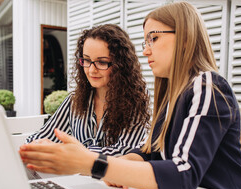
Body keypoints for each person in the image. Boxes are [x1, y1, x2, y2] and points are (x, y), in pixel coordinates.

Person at [19, 2, 241, 189]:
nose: (145, 51)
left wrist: (93, 163)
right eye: (145, 41)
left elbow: (184, 172)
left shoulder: (208, 85)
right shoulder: (172, 97)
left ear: (186, 39)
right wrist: (106, 164)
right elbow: (150, 154)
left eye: (153, 39)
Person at [26, 24, 150, 157]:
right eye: (86, 60)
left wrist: (76, 153)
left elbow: (125, 151)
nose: (91, 70)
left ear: (121, 65)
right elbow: (43, 136)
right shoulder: (74, 101)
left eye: (102, 62)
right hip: (76, 176)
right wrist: (36, 146)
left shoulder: (136, 100)